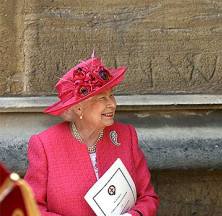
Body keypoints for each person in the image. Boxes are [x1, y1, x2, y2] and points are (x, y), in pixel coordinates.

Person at [24, 54, 159, 216]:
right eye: (102, 98)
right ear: (79, 108)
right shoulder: (45, 145)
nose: (112, 104)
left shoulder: (126, 136)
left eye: (111, 95)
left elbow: (148, 197)